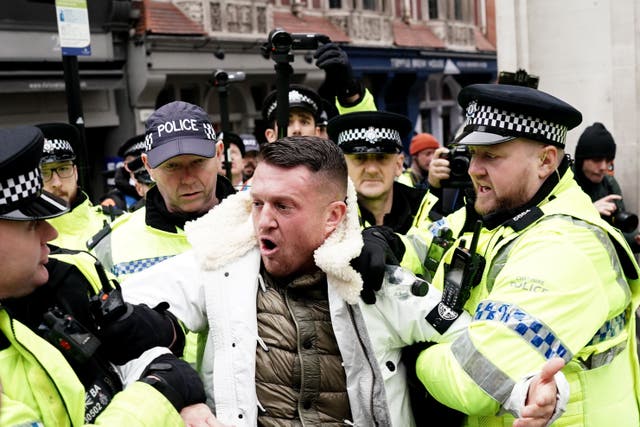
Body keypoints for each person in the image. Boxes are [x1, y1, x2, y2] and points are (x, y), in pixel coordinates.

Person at [122, 136, 565, 427]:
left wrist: (527, 389)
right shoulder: (219, 268)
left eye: (284, 206)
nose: (264, 222)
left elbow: (464, 338)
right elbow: (123, 321)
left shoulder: (375, 284)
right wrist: (175, 388)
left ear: (333, 216)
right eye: (257, 203)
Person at [403, 83, 640, 425]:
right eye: (472, 153)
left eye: (491, 156)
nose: (473, 168)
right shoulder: (506, 213)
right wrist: (387, 245)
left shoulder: (568, 245)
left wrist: (413, 346)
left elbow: (473, 380)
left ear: (545, 161)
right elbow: (428, 244)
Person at [0, 125, 213, 426]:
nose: (51, 232)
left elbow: (132, 356)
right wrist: (161, 395)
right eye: (32, 224)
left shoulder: (70, 272)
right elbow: (163, 382)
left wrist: (170, 371)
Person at [90, 100, 235, 281]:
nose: (187, 179)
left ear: (219, 153)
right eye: (172, 166)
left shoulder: (259, 223)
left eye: (198, 161)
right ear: (148, 166)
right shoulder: (111, 245)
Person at [37, 122, 125, 251]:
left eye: (63, 169)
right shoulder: (24, 236)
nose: (57, 183)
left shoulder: (117, 222)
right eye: (44, 172)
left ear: (76, 172)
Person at [573, 122, 640, 253]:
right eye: (597, 160)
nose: (604, 167)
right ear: (582, 159)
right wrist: (588, 211)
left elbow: (620, 230)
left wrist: (635, 240)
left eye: (609, 160)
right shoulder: (566, 181)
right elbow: (552, 226)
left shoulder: (609, 183)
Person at [100, 133, 147, 211]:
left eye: (149, 161)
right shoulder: (114, 202)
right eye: (138, 163)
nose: (145, 168)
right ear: (126, 165)